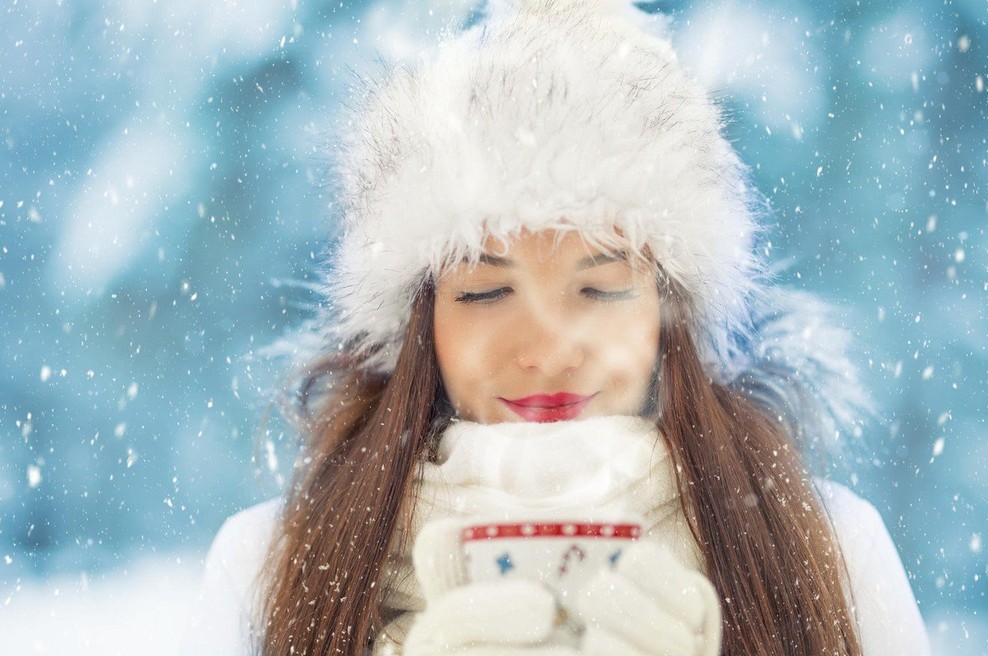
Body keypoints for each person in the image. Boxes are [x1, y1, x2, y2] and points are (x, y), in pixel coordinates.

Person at [181, 1, 932, 654]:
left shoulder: (827, 551)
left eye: (600, 289)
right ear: (420, 323)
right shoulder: (270, 567)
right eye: (485, 292)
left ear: (669, 315)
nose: (547, 349)